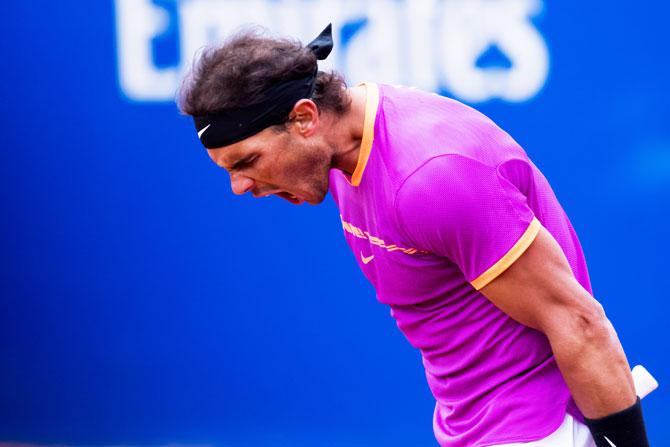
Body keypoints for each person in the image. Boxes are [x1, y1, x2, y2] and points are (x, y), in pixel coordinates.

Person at [177, 24, 650, 447]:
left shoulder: (431, 176)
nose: (239, 187)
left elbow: (580, 324)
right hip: (475, 425)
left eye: (247, 162)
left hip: (537, 429)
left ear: (304, 118)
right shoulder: (343, 149)